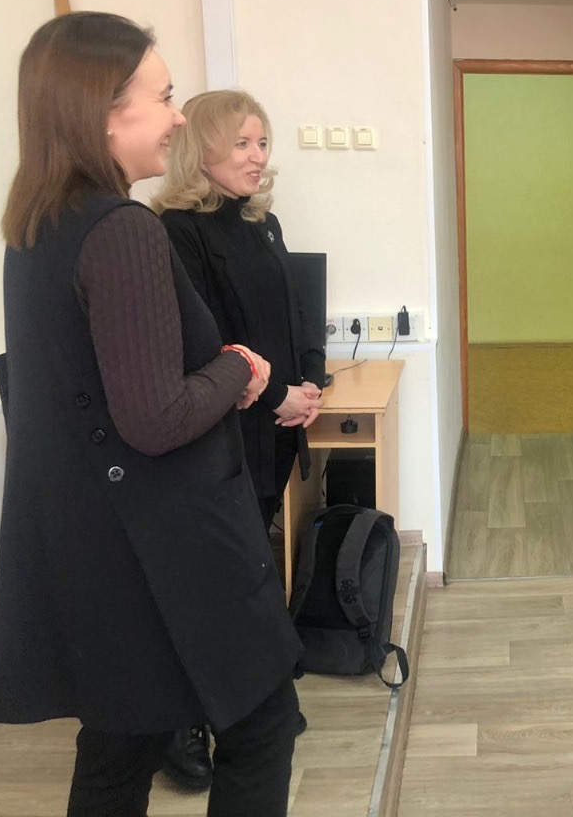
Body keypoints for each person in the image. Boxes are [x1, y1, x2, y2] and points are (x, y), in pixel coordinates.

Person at [0, 11, 303, 817]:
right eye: (163, 99)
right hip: (168, 544)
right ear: (102, 109)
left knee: (121, 744)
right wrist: (239, 366)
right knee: (263, 725)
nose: (176, 119)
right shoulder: (122, 230)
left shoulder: (37, 227)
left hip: (98, 545)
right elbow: (156, 417)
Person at [152, 89, 325, 790]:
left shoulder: (263, 223)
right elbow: (204, 343)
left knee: (253, 571)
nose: (258, 157)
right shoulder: (174, 230)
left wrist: (310, 380)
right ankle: (185, 724)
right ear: (202, 149)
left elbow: (292, 312)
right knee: (217, 584)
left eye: (262, 142)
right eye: (242, 143)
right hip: (223, 430)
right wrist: (279, 394)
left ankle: (256, 708)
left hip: (274, 425)